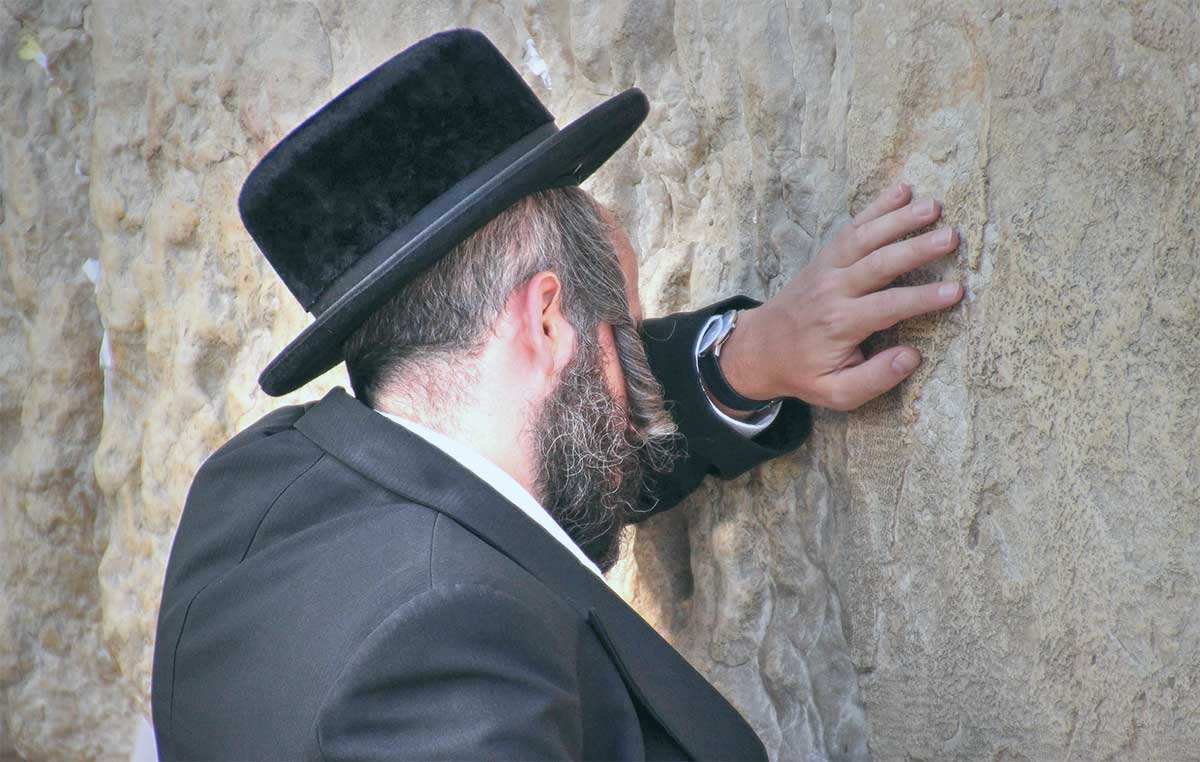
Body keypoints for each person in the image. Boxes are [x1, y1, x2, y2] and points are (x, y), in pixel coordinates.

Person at [150, 28, 962, 760]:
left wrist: (740, 363)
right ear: (544, 320)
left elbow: (509, 488)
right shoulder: (447, 645)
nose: (630, 384)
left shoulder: (250, 494)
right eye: (623, 337)